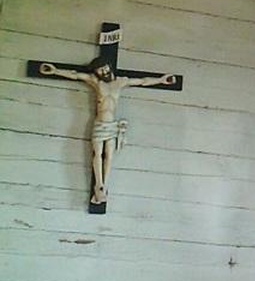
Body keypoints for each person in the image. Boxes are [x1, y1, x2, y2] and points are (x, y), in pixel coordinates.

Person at [39, 58, 176, 204]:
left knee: (109, 155)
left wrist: (161, 80)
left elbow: (143, 81)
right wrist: (55, 71)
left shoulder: (121, 82)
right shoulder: (96, 82)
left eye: (104, 68)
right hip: (100, 124)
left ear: (109, 66)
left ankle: (105, 186)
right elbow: (76, 75)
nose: (103, 71)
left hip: (112, 125)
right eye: (99, 70)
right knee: (97, 154)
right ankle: (98, 184)